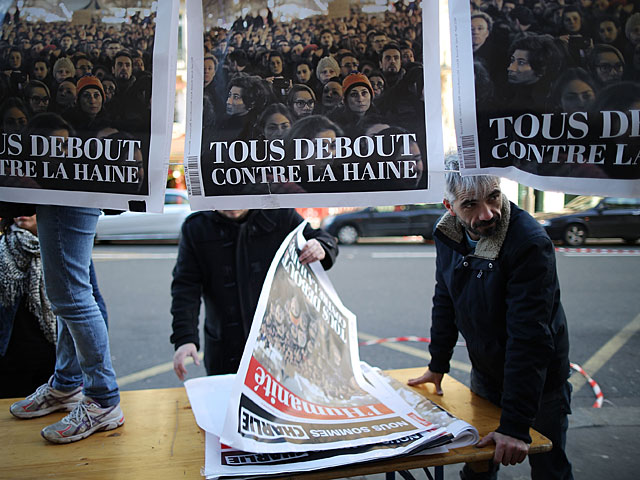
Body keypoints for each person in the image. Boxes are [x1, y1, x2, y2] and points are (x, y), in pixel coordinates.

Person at [408, 157, 573, 480]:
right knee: (478, 466)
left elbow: (530, 336)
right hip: (486, 374)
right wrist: (437, 365)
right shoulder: (448, 233)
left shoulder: (529, 242)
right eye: (471, 204)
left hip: (539, 385)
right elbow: (445, 299)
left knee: (550, 468)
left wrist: (514, 426)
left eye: (494, 197)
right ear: (450, 206)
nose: (487, 214)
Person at [9, 113, 124, 443]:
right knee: (79, 290)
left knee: (70, 297)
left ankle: (102, 399)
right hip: (65, 190)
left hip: (64, 192)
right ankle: (67, 384)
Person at [171, 209, 339, 378]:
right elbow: (186, 287)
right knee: (228, 401)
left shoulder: (279, 214)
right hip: (226, 348)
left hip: (280, 345)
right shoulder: (196, 227)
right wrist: (185, 338)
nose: (233, 205)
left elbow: (323, 239)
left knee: (282, 401)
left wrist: (321, 246)